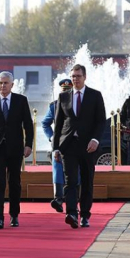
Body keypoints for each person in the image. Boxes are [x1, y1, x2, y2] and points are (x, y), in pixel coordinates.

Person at [53, 64, 106, 229]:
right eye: (73, 76)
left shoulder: (95, 96)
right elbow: (58, 123)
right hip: (69, 145)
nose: (75, 79)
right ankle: (71, 214)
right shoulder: (63, 97)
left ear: (85, 77)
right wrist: (55, 148)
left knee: (87, 180)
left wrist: (96, 140)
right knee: (70, 181)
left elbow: (101, 121)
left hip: (88, 146)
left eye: (78, 76)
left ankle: (85, 215)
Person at [0, 71, 33, 229]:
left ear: (12, 84)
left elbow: (28, 125)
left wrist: (28, 144)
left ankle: (14, 215)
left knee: (14, 182)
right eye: (0, 83)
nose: (3, 86)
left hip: (15, 147)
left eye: (5, 83)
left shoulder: (21, 100)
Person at [42, 78, 73, 213]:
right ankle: (58, 198)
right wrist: (51, 137)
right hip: (59, 143)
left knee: (73, 170)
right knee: (58, 168)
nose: (65, 92)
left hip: (74, 142)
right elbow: (45, 123)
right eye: (63, 90)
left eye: (68, 90)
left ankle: (72, 198)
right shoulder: (54, 106)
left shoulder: (78, 103)